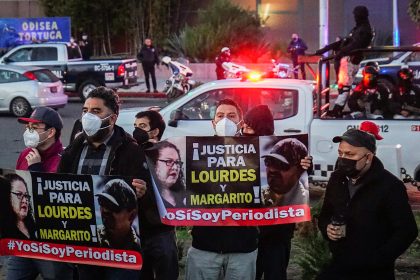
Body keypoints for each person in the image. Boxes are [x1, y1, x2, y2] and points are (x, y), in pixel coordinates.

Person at [57, 86, 148, 280]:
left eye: (96, 111)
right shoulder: (74, 148)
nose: (88, 116)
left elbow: (142, 197)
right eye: (85, 111)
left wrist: (141, 192)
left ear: (113, 118)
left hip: (120, 254)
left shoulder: (131, 150)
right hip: (83, 247)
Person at [317, 129, 418, 279]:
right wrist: (328, 229)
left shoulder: (390, 186)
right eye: (340, 153)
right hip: (340, 263)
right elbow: (325, 215)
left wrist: (379, 258)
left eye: (350, 154)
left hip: (374, 271)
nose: (343, 158)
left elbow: (407, 231)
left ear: (368, 157)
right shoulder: (337, 179)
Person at [185, 98, 258, 280]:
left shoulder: (255, 151)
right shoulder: (194, 152)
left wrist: (302, 166)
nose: (225, 120)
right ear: (213, 122)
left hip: (243, 245)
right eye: (220, 115)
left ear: (240, 122)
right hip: (205, 244)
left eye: (231, 116)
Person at [241, 105, 311, 280]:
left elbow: (300, 183)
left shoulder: (284, 149)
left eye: (249, 126)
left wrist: (307, 167)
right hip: (249, 234)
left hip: (277, 233)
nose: (243, 130)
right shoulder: (238, 148)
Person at [132, 112, 180, 280]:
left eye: (142, 126)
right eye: (135, 126)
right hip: (139, 230)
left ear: (154, 132)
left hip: (162, 230)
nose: (137, 130)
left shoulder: (168, 155)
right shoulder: (133, 154)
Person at [316, 6, 373, 117]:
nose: (355, 17)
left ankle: (337, 110)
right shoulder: (358, 28)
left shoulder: (365, 30)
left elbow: (356, 44)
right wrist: (325, 49)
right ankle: (338, 109)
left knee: (344, 87)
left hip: (351, 61)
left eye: (357, 14)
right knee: (342, 86)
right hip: (346, 60)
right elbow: (345, 41)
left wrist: (340, 53)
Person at [96, 179, 141, 251]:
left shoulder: (141, 248)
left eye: (113, 206)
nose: (105, 210)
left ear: (132, 215)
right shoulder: (91, 239)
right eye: (102, 202)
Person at [16, 107, 64, 172]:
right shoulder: (26, 153)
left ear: (51, 132)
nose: (28, 131)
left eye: (34, 127)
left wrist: (35, 169)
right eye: (27, 127)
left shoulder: (62, 162)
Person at [147, 141, 185, 208]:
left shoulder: (184, 199)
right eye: (169, 161)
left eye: (177, 162)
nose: (175, 167)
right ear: (154, 164)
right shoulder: (147, 198)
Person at [0, 174, 35, 240]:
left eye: (26, 196)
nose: (25, 200)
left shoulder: (32, 226)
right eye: (19, 194)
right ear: (7, 196)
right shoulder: (3, 229)